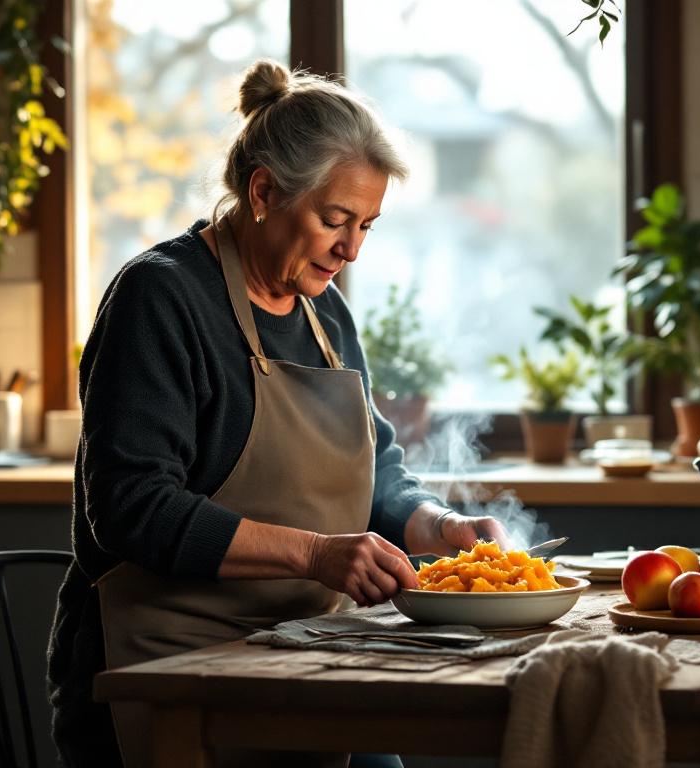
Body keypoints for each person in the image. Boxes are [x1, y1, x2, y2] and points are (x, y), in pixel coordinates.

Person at [46, 59, 507, 768]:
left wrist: (442, 527)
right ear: (264, 190)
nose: (352, 248)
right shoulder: (160, 299)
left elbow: (376, 473)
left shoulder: (326, 313)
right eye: (335, 220)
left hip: (308, 655)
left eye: (368, 226)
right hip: (168, 670)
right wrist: (317, 554)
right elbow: (131, 506)